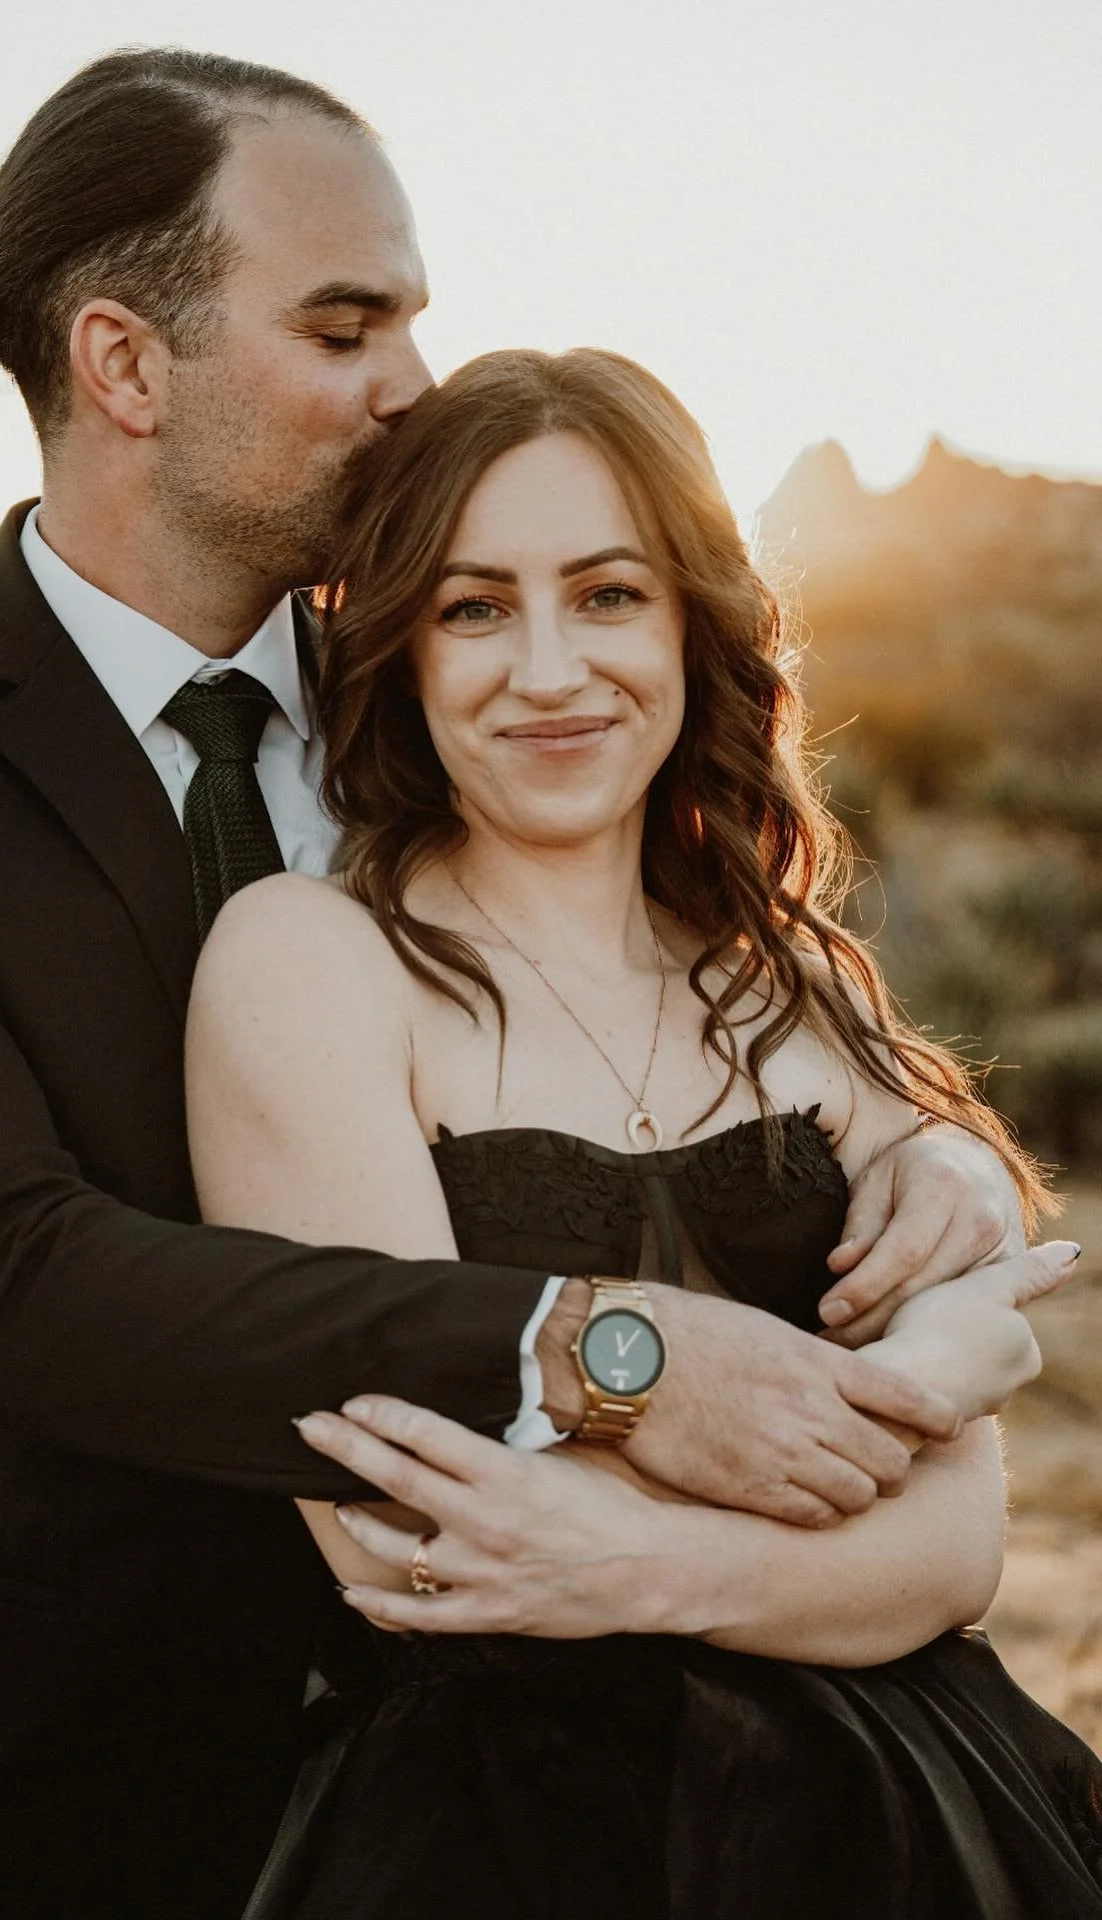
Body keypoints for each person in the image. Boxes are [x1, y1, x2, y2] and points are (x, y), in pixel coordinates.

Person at [0, 48, 1050, 1920]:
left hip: (569, 1784)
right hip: (63, 1767)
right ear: (123, 364)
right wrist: (602, 1351)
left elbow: (710, 1013)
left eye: (417, 317)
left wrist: (950, 1170)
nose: (413, 381)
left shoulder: (463, 670)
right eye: (346, 325)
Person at [184, 347, 1102, 1918]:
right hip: (500, 1834)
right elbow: (406, 1532)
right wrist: (836, 1517)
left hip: (908, 1816)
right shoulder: (309, 962)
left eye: (608, 593)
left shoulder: (794, 979)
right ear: (400, 647)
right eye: (476, 608)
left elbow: (957, 1547)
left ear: (692, 622)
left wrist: (654, 1565)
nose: (549, 670)